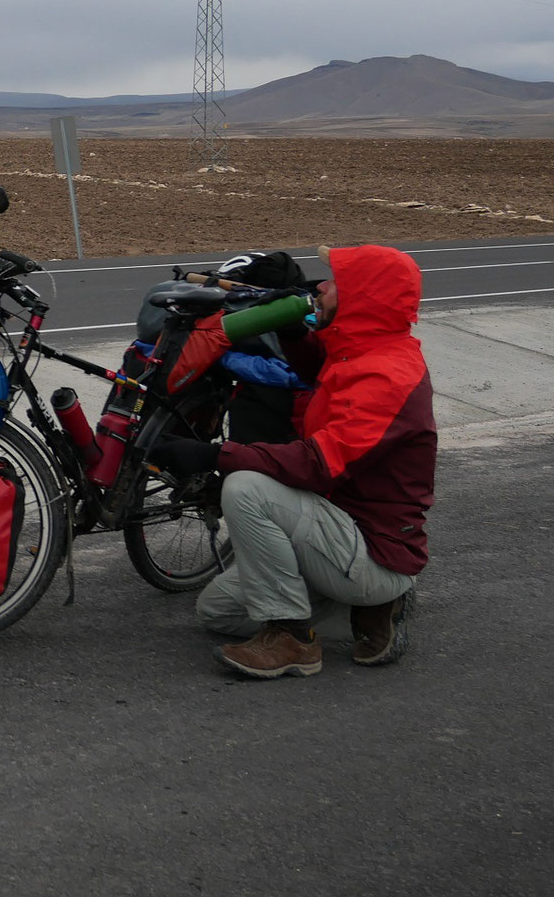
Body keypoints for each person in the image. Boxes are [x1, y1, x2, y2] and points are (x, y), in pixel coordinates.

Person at [153, 244, 434, 679]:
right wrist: (289, 329)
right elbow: (319, 363)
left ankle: (293, 637)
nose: (320, 287)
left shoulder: (388, 374)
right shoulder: (360, 349)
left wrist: (213, 454)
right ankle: (366, 613)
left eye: (335, 283)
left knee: (246, 487)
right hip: (337, 533)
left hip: (373, 547)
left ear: (365, 296)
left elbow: (319, 463)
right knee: (217, 612)